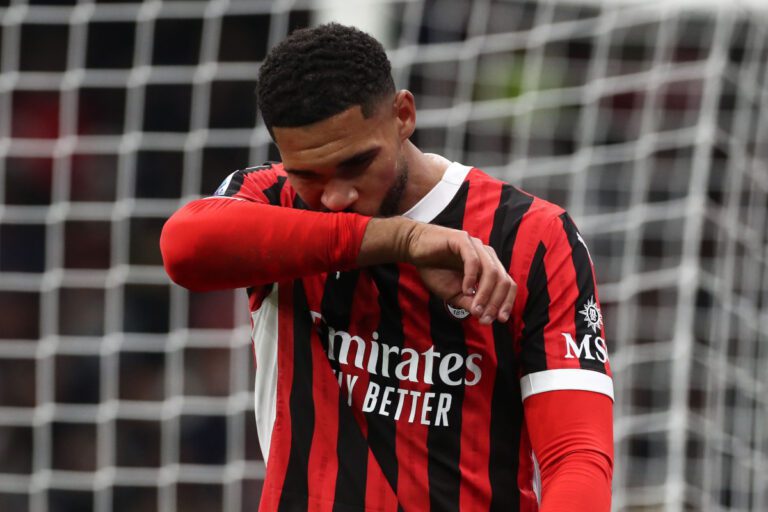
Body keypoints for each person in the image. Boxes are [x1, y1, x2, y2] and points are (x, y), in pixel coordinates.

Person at [160, 23, 613, 512]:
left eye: (356, 164)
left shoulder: (532, 236)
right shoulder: (274, 204)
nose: (336, 198)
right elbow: (184, 249)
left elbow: (576, 456)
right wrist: (404, 239)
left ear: (403, 114)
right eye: (309, 175)